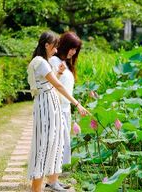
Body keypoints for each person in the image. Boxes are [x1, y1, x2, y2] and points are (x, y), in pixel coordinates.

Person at [27, 31, 89, 192]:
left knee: (52, 145)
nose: (56, 50)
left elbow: (50, 82)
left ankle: (49, 183)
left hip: (52, 107)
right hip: (48, 107)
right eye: (54, 47)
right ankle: (37, 188)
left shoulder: (43, 62)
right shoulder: (42, 62)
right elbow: (58, 86)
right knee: (43, 146)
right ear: (47, 45)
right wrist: (78, 104)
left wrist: (60, 73)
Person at [48, 31, 82, 189]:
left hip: (65, 108)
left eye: (76, 49)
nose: (73, 52)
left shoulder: (66, 63)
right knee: (58, 144)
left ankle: (53, 180)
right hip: (56, 109)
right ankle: (53, 181)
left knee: (62, 144)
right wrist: (77, 104)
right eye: (71, 48)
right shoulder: (54, 61)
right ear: (65, 45)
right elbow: (54, 85)